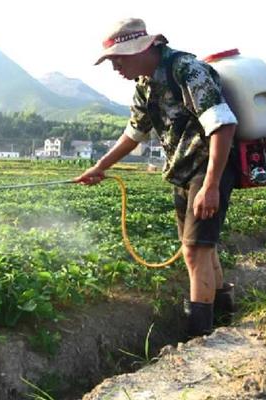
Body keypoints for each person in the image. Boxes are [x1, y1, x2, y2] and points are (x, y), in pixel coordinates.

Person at [76, 18, 237, 337]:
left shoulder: (186, 70)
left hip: (209, 167)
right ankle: (223, 319)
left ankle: (199, 336)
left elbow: (223, 124)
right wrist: (101, 166)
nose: (116, 68)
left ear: (141, 48)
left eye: (118, 60)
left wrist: (211, 185)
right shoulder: (144, 86)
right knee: (203, 247)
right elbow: (133, 134)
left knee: (194, 251)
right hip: (183, 170)